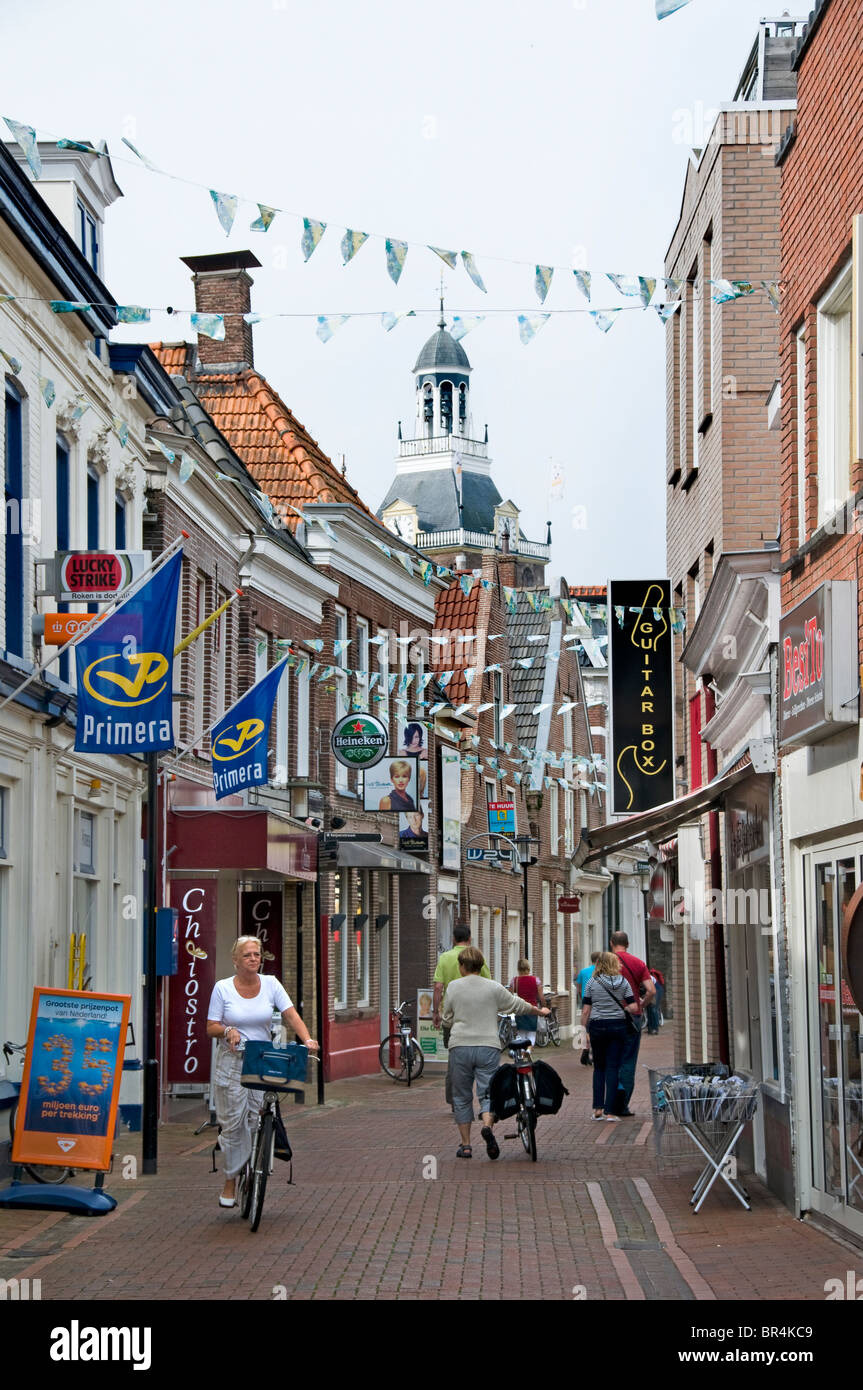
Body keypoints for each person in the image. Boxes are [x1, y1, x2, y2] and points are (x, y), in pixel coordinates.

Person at [206, 935, 319, 1208]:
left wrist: (307, 1039)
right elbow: (211, 1026)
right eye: (247, 955)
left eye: (257, 954)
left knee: (255, 1121)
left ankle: (256, 1168)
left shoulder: (270, 984)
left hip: (261, 1060)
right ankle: (231, 1179)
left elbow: (290, 1013)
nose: (254, 959)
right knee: (233, 1124)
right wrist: (228, 1030)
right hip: (232, 1061)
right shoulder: (223, 989)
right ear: (235, 960)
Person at [441, 946, 550, 1158]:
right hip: (488, 1046)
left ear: (462, 966)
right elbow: (517, 1005)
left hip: (460, 1046)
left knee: (462, 1096)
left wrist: (455, 1021)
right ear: (481, 966)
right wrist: (539, 1011)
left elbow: (446, 1018)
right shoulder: (493, 987)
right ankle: (488, 1128)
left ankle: (465, 1146)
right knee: (488, 1092)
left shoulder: (453, 987)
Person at [433, 923, 491, 1106]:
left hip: (452, 1018)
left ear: (453, 939)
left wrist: (436, 1012)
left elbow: (438, 987)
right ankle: (483, 1099)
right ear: (469, 939)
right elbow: (488, 984)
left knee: (454, 1058)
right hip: (476, 1016)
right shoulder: (477, 957)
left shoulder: (444, 958)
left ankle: (454, 1100)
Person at [580, 951, 640, 1122]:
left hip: (598, 1026)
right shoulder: (623, 982)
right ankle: (610, 1112)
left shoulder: (592, 982)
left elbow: (586, 1011)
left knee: (599, 1068)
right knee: (613, 1068)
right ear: (615, 964)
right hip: (617, 1027)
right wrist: (624, 1010)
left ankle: (597, 1109)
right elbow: (634, 1007)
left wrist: (583, 1031)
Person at [609, 931, 655, 1117]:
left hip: (608, 1017)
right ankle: (622, 1105)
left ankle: (609, 1103)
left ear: (612, 943)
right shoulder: (637, 963)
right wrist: (642, 1003)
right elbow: (651, 990)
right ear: (627, 944)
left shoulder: (604, 964)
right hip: (631, 1018)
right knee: (628, 1061)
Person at [507, 958, 544, 1040]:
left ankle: (523, 1051)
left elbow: (510, 997)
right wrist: (544, 1007)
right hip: (532, 1009)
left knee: (521, 1034)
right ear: (528, 967)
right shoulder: (536, 980)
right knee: (531, 1034)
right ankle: (528, 1051)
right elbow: (541, 997)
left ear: (518, 969)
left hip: (520, 1010)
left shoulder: (514, 981)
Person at [646, 966, 666, 1034]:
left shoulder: (646, 976)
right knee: (648, 1008)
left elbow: (651, 989)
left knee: (653, 1008)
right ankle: (650, 1028)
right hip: (650, 989)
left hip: (656, 989)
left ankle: (655, 1028)